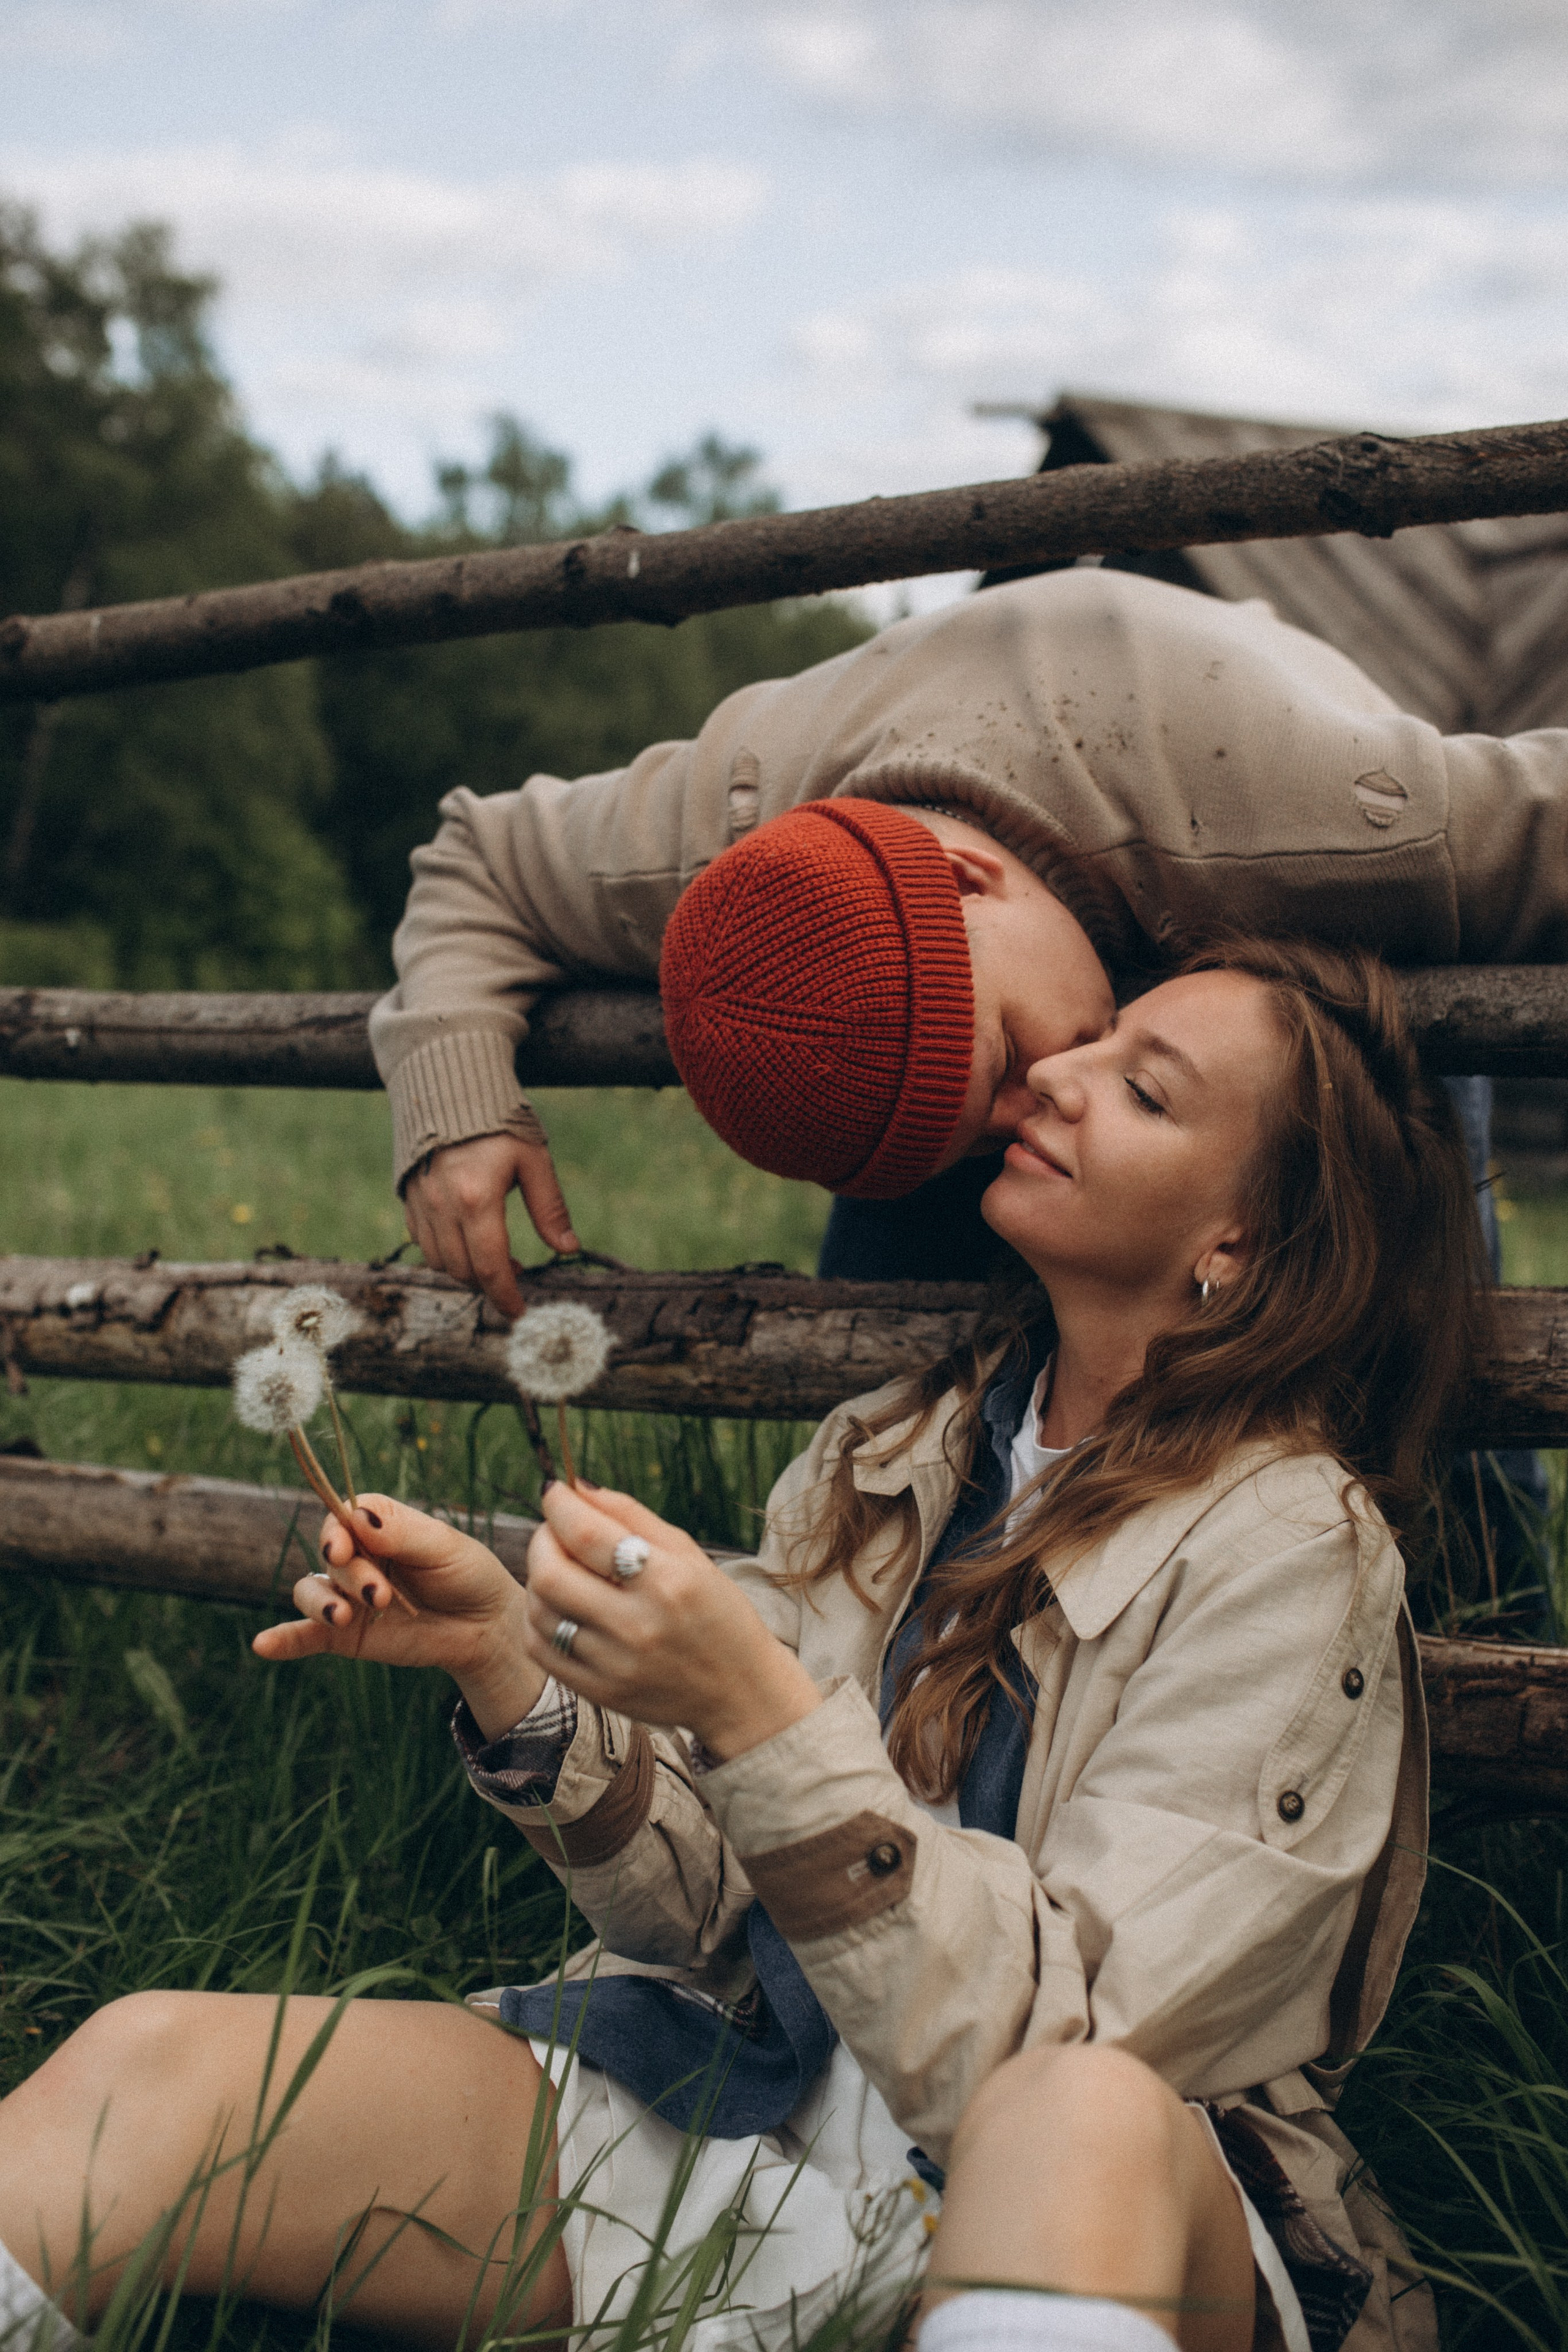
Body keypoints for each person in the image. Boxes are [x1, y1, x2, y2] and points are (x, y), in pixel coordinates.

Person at [0, 936, 1481, 2352]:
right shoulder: (890, 1450)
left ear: (1240, 1242)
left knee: (1071, 2112)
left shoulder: (1292, 1551)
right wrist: (506, 1659)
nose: (1054, 1076)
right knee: (154, 2070)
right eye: (1091, 1040)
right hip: (748, 2105)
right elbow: (712, 1925)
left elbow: (1072, 2052)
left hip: (1097, 2222)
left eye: (1143, 1088)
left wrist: (759, 1708)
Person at [372, 565, 1568, 1309]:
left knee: (1428, 1338)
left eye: (999, 1064)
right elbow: (481, 856)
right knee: (895, 1346)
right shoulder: (713, 834)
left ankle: (1478, 1586)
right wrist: (456, 1102)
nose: (1029, 1113)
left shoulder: (1334, 832)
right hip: (1032, 885)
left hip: (1262, 838)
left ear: (967, 874)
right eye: (964, 1131)